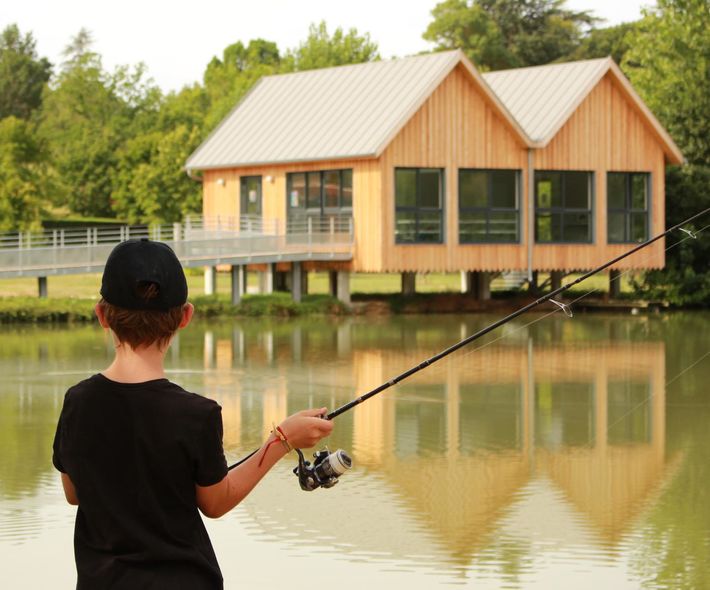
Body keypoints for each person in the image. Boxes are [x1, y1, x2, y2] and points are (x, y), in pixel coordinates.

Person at [52, 239, 333, 589]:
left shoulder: (78, 402)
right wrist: (282, 440)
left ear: (101, 315)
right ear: (185, 316)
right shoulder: (195, 415)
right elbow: (216, 502)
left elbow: (74, 493)